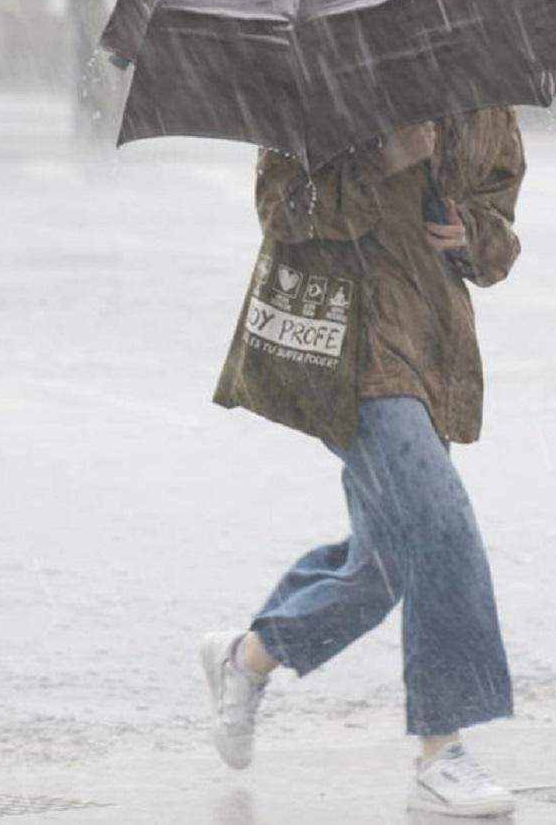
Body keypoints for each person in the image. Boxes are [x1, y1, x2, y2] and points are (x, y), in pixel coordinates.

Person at [200, 108, 527, 818]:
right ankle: (443, 751)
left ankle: (249, 656)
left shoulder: (482, 94)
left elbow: (500, 226)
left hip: (433, 347)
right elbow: (282, 209)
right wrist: (384, 160)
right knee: (442, 529)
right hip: (351, 349)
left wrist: (473, 234)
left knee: (386, 566)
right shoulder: (322, 83)